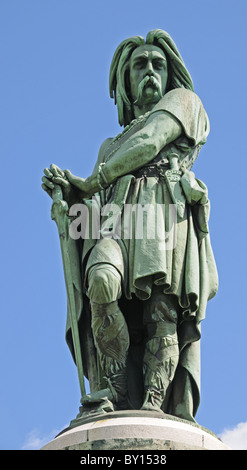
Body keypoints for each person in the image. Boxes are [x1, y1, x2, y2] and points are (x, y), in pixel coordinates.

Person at [42, 29, 218, 422]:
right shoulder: (109, 145)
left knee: (162, 310)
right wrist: (68, 197)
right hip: (116, 219)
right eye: (140, 65)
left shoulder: (183, 102)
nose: (151, 71)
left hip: (163, 212)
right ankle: (119, 391)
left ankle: (155, 404)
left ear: (170, 74)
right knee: (101, 280)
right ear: (126, 81)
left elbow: (151, 143)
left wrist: (90, 181)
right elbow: (92, 203)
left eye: (158, 64)